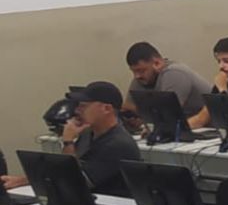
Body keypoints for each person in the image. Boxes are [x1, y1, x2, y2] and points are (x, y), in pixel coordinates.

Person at [2, 82, 141, 196]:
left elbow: (76, 182)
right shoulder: (88, 134)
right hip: (91, 203)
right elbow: (62, 172)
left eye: (83, 106)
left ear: (106, 109)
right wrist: (24, 180)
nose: (77, 110)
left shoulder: (118, 144)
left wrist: (68, 142)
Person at [124, 42, 212, 129]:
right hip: (186, 128)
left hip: (209, 128)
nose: (137, 76)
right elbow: (128, 107)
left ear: (157, 63)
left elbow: (167, 114)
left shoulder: (175, 73)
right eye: (134, 71)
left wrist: (145, 116)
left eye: (141, 71)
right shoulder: (143, 78)